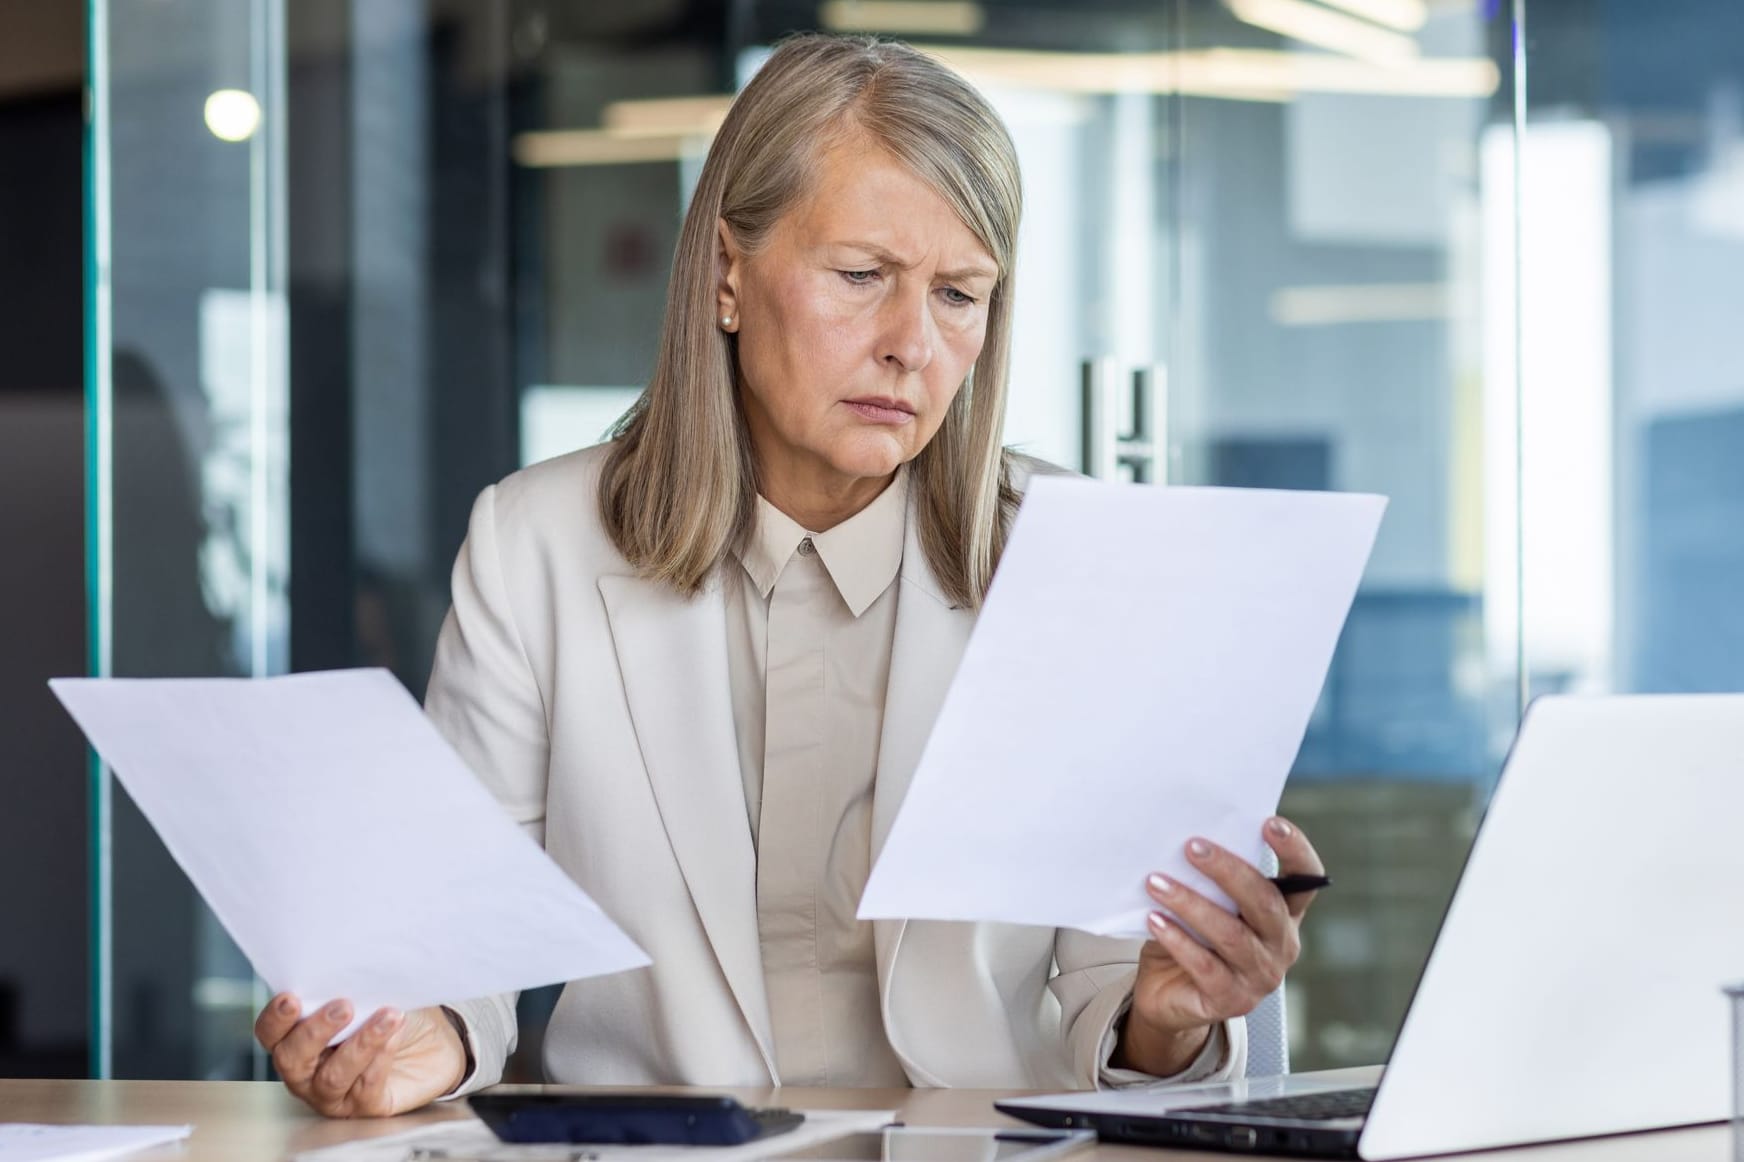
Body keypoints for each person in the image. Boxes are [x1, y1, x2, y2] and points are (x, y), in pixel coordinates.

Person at [254, 32, 1325, 1118]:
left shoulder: (1075, 560)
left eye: (959, 294)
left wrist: (1171, 1014)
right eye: (862, 277)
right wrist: (416, 1032)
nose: (911, 342)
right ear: (727, 273)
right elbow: (456, 934)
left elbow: (1116, 1000)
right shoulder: (535, 543)